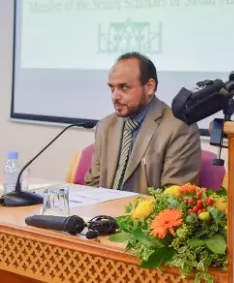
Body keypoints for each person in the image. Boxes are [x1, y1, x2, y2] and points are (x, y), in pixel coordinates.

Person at [84, 52, 202, 193]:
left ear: (150, 87)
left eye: (124, 87)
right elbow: (93, 184)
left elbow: (174, 197)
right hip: (103, 213)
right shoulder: (105, 126)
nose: (115, 96)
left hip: (146, 215)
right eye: (112, 88)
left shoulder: (179, 127)